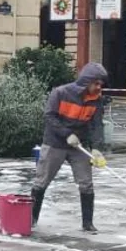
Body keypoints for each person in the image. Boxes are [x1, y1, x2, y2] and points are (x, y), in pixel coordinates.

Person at [32, 62, 108, 233]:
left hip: (79, 146)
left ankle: (87, 224)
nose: (99, 87)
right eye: (96, 83)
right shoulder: (60, 93)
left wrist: (96, 148)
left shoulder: (96, 100)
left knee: (86, 183)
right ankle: (31, 219)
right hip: (55, 143)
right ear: (86, 81)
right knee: (41, 181)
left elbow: (96, 125)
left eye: (101, 84)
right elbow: (49, 116)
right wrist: (66, 134)